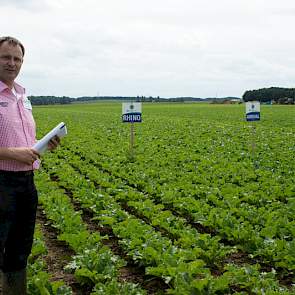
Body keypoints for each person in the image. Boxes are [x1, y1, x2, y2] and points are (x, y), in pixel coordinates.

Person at [0, 36, 60, 294]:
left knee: (19, 248)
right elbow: (14, 149)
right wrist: (15, 155)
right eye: (6, 57)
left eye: (17, 59)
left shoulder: (22, 96)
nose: (12, 63)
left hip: (26, 183)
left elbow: (22, 140)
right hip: (1, 182)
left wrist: (42, 144)